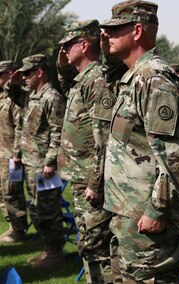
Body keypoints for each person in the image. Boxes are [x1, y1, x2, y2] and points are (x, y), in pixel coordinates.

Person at [100, 0, 179, 283]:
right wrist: (106, 52)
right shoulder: (133, 76)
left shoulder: (155, 79)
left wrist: (157, 211)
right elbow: (106, 77)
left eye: (116, 30)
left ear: (137, 31)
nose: (107, 35)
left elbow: (174, 157)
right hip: (127, 212)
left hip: (148, 220)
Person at [57, 19, 116, 284]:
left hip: (91, 182)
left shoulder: (97, 80)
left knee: (98, 246)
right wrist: (61, 66)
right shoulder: (81, 80)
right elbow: (64, 85)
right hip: (80, 178)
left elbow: (104, 137)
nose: (64, 50)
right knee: (88, 243)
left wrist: (95, 181)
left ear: (83, 45)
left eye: (68, 45)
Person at [12, 54, 65, 267]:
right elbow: (13, 94)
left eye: (27, 73)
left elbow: (58, 132)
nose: (23, 78)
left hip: (43, 166)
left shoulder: (51, 97)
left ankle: (55, 254)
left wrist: (51, 161)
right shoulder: (31, 95)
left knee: (48, 211)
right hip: (29, 161)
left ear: (40, 72)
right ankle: (47, 250)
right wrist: (14, 81)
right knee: (35, 209)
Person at [0, 60, 28, 243]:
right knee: (2, 193)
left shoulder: (17, 98)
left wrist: (16, 153)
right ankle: (11, 225)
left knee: (12, 192)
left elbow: (20, 127)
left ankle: (18, 229)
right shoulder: (3, 97)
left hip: (12, 155)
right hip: (1, 152)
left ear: (10, 74)